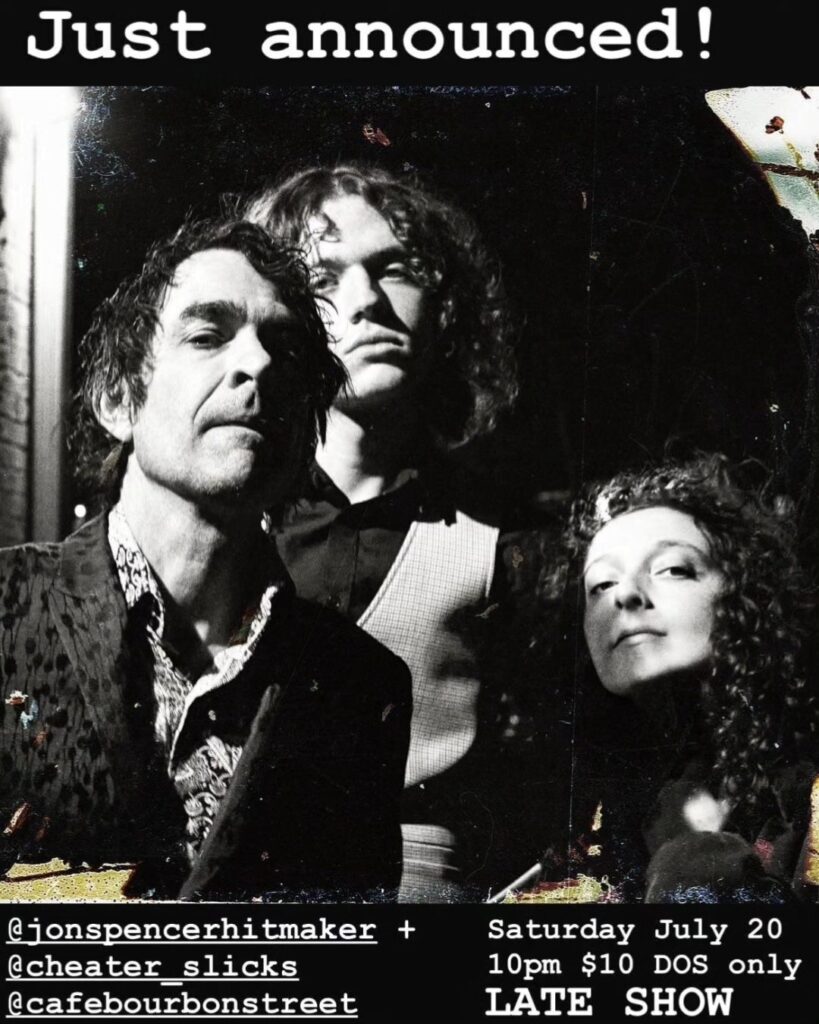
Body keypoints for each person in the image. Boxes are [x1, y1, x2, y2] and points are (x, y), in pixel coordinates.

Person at [0, 217, 411, 901]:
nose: (259, 365)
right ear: (117, 400)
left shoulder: (361, 687)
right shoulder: (7, 609)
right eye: (206, 335)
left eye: (285, 348)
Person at [245, 165, 548, 901]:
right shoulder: (223, 528)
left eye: (394, 269)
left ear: (444, 307)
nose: (365, 302)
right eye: (322, 280)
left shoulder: (508, 543)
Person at [543, 453, 819, 902]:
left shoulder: (807, 801)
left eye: (672, 569)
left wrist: (695, 858)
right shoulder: (582, 828)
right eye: (601, 585)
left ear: (745, 593)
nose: (626, 595)